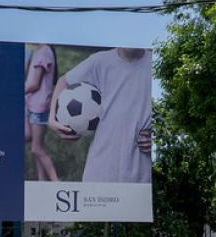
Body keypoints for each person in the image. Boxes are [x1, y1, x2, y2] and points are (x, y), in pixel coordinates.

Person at [49, 48, 152, 184]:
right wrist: (52, 119)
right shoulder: (100, 61)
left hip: (141, 174)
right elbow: (64, 81)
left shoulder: (155, 63)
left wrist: (162, 139)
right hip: (101, 170)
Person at [26, 44, 60, 182]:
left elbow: (35, 84)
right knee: (37, 147)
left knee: (36, 148)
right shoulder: (39, 51)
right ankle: (42, 181)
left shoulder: (44, 51)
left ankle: (56, 181)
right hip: (33, 104)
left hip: (38, 106)